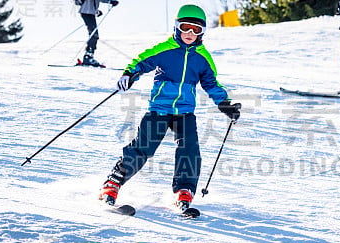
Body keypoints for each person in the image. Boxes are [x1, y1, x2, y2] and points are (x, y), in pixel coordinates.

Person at [98, 5, 242, 212]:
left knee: (190, 150)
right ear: (176, 27)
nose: (190, 33)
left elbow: (211, 84)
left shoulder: (203, 58)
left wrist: (225, 104)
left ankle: (184, 190)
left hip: (185, 113)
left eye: (196, 29)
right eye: (186, 27)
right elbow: (141, 62)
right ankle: (112, 184)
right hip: (159, 109)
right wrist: (129, 74)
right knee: (142, 148)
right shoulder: (165, 49)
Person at [75, 0, 119, 66]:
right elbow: (78, 2)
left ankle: (89, 56)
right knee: (94, 35)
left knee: (94, 35)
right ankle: (88, 57)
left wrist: (97, 11)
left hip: (89, 13)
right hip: (86, 13)